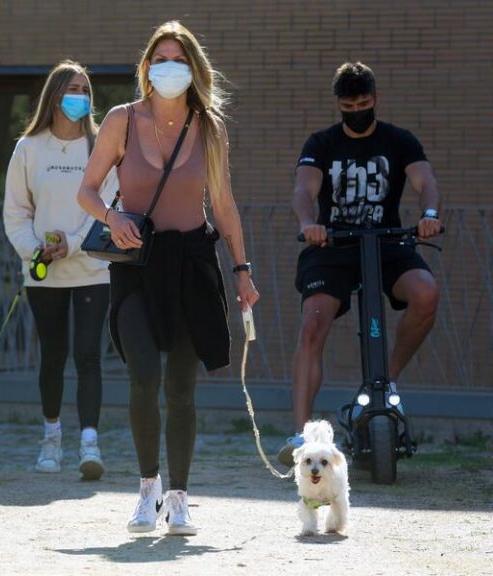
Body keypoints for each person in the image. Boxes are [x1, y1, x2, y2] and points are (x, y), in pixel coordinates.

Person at [77, 21, 259, 535]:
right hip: (137, 263)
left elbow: (223, 204)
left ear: (194, 68)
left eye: (179, 59)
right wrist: (111, 217)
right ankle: (146, 489)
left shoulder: (210, 127)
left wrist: (242, 270)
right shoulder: (122, 119)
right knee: (144, 375)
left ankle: (179, 496)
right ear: (147, 68)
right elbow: (88, 189)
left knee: (181, 386)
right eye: (160, 59)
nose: (169, 68)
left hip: (191, 264)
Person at [278, 62, 442, 466]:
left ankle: (383, 383)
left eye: (363, 104)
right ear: (339, 104)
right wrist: (308, 223)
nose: (357, 111)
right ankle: (301, 436)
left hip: (386, 242)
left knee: (426, 293)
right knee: (312, 324)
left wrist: (429, 214)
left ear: (376, 99)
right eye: (349, 106)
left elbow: (425, 181)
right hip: (332, 245)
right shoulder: (322, 143)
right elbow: (303, 190)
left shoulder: (399, 140)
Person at [3, 61, 117, 480]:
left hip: (93, 268)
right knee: (52, 355)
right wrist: (35, 249)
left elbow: (110, 204)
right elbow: (15, 211)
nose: (80, 97)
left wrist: (74, 242)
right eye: (72, 89)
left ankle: (90, 443)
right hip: (44, 271)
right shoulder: (28, 148)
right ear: (54, 96)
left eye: (85, 90)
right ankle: (50, 440)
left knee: (88, 354)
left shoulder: (102, 145)